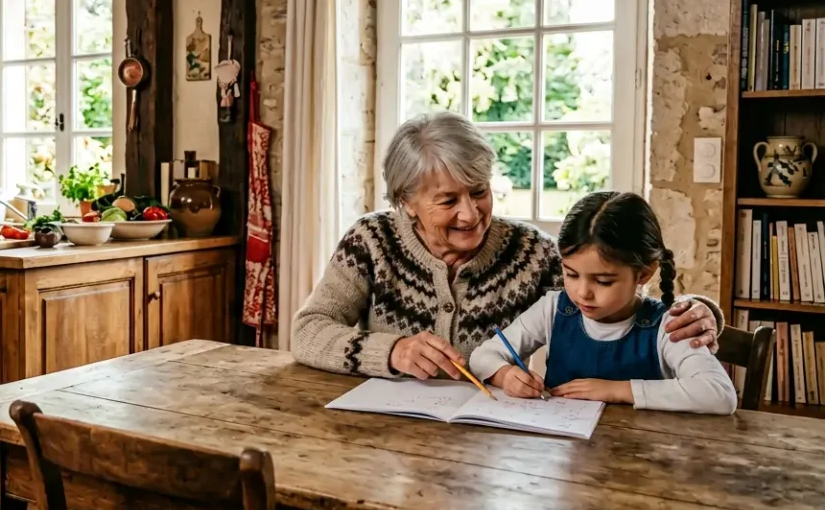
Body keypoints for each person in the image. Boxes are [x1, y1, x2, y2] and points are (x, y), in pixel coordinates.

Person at [292, 112, 722, 381]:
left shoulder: (530, 251)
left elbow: (619, 292)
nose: (470, 213)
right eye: (447, 201)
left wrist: (698, 310)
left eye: (478, 191)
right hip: (383, 438)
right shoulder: (370, 240)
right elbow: (308, 331)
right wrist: (392, 351)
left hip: (492, 447)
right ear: (406, 202)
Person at [468, 192, 737, 414]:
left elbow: (719, 394)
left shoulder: (668, 326)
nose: (583, 292)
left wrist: (616, 390)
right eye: (571, 274)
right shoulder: (554, 308)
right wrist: (504, 376)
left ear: (644, 274)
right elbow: (482, 356)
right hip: (562, 458)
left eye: (604, 281)